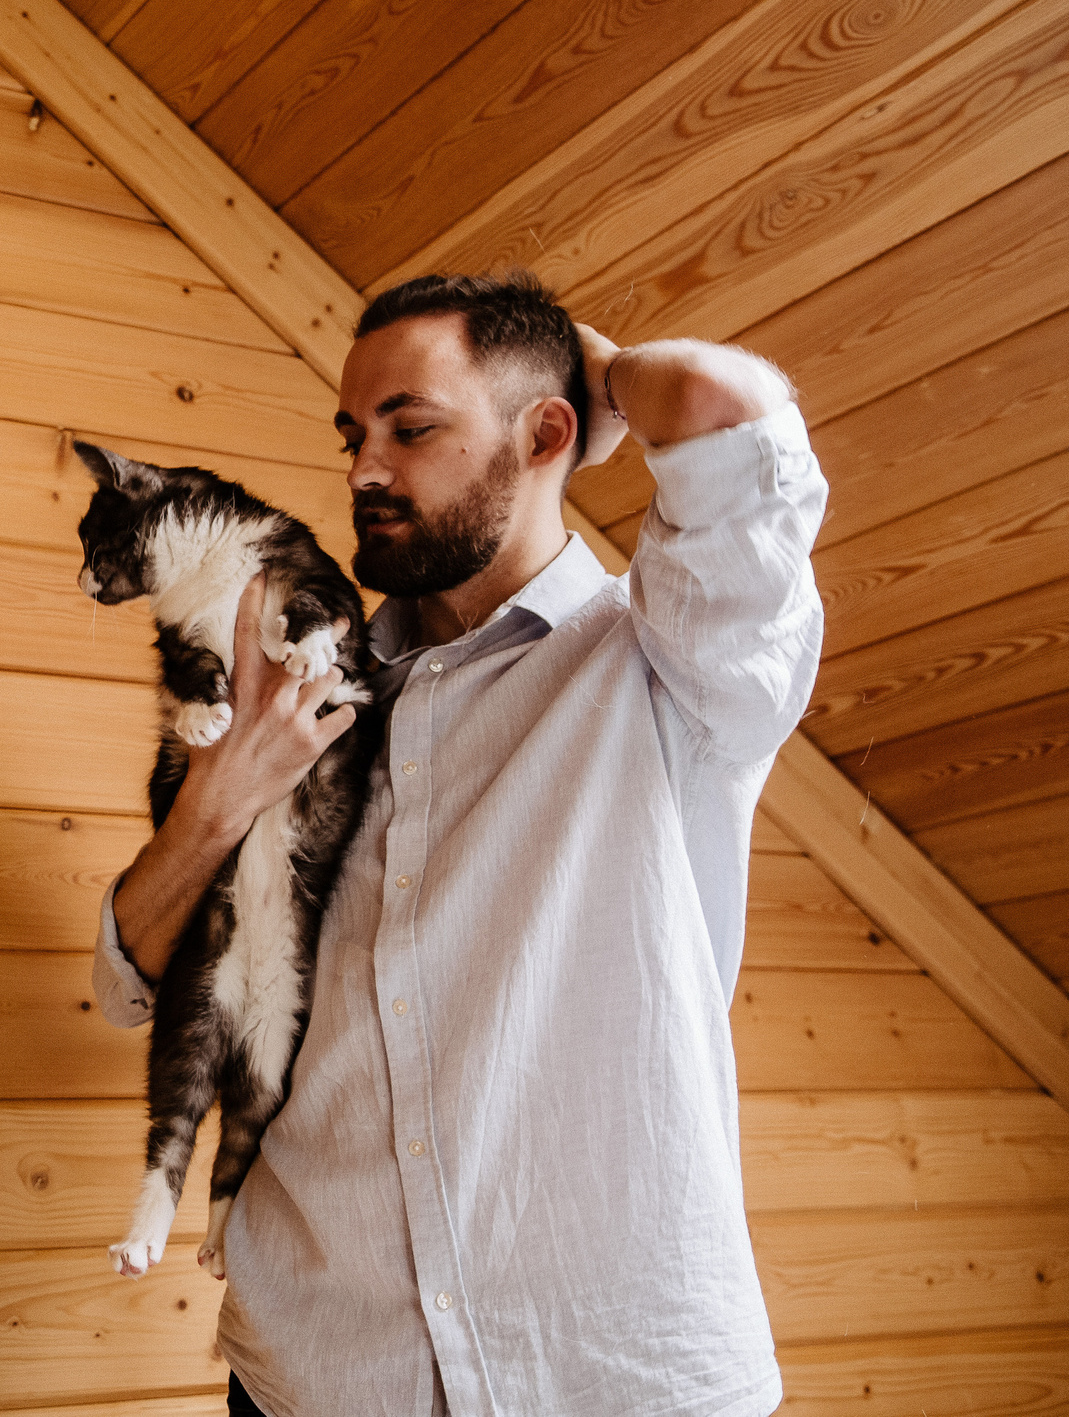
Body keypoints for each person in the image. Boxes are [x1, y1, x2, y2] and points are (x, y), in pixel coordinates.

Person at [93, 273, 825, 1417]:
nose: (360, 470)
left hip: (613, 1379)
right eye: (351, 434)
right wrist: (217, 804)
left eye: (410, 427)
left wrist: (602, 375)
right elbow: (129, 980)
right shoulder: (301, 692)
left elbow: (720, 401)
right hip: (316, 1378)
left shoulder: (673, 669)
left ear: (547, 435)